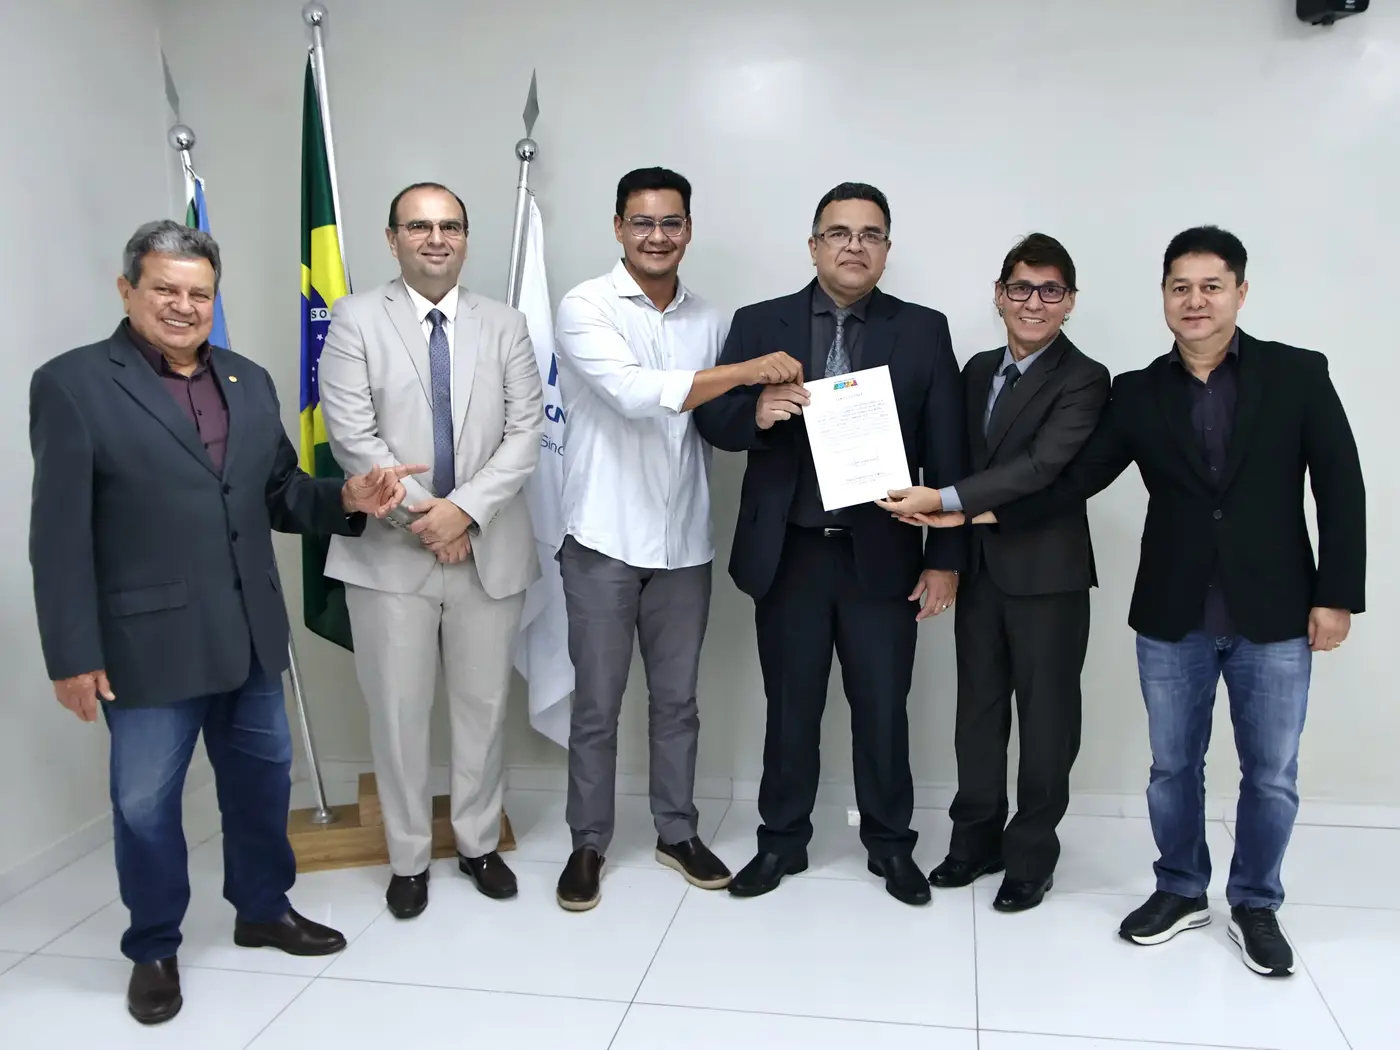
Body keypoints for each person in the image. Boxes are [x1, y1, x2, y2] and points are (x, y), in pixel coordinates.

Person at [914, 226, 1365, 975]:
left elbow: (1340, 487)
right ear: (1163, 296)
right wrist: (969, 515)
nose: (1195, 300)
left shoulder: (1297, 373)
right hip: (1172, 610)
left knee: (1271, 773)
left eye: (1211, 286)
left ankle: (1255, 903)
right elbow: (1072, 481)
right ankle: (1181, 889)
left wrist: (1337, 595)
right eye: (1180, 287)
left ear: (1240, 292)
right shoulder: (1138, 391)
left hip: (1278, 609)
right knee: (1172, 769)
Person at [28, 220, 420, 1026]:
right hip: (145, 647)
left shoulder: (246, 379)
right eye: (165, 289)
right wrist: (71, 655)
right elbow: (57, 536)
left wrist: (347, 497)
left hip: (247, 634)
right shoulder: (72, 384)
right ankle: (153, 948)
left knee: (261, 784)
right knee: (145, 805)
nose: (183, 306)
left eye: (199, 293)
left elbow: (279, 493)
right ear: (127, 290)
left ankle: (263, 909)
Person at [693, 182, 966, 906]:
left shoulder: (923, 330)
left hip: (883, 553)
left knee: (883, 708)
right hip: (790, 553)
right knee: (790, 708)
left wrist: (945, 560)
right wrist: (756, 410)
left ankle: (891, 845)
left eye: (870, 234)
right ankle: (781, 842)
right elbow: (712, 419)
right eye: (839, 233)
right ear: (813, 245)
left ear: (886, 250)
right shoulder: (760, 323)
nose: (854, 246)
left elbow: (948, 450)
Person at [551, 166, 800, 911]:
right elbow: (636, 394)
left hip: (685, 541)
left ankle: (676, 832)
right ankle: (587, 843)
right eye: (642, 222)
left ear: (688, 229)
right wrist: (749, 372)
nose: (657, 236)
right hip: (602, 536)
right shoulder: (585, 306)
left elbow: (722, 419)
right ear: (618, 228)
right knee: (596, 706)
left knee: (677, 704)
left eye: (671, 222)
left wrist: (764, 404)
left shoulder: (711, 320)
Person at [317, 182, 544, 919]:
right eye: (419, 226)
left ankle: (477, 844)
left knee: (483, 711)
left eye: (450, 226)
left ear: (466, 238)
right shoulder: (354, 319)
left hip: (487, 548)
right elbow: (352, 436)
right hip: (390, 557)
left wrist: (463, 513)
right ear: (393, 240)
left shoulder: (505, 324)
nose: (436, 239)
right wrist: (428, 519)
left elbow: (526, 434)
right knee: (398, 715)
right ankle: (409, 859)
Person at [878, 234, 1109, 913]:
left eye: (1050, 291)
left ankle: (1030, 856)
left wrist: (943, 502)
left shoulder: (1085, 377)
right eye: (1020, 288)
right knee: (976, 714)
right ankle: (974, 841)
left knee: (1046, 722)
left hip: (1049, 576)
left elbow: (1042, 468)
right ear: (999, 296)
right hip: (979, 570)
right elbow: (947, 447)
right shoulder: (977, 368)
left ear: (1070, 301)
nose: (1034, 303)